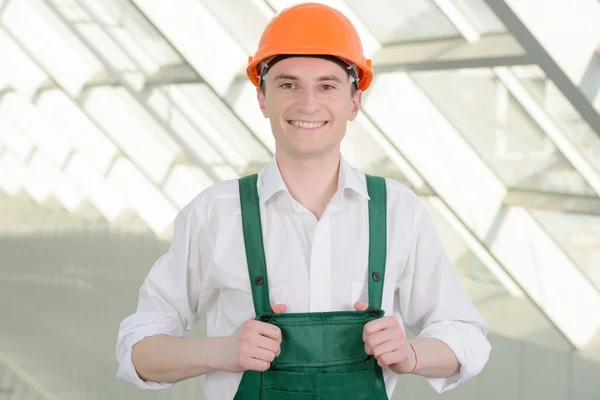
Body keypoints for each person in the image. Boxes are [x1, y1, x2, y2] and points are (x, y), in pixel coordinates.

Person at [116, 2, 491, 399]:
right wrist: (221, 351)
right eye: (288, 84)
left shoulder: (399, 212)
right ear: (262, 99)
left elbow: (466, 336)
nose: (308, 104)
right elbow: (138, 350)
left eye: (327, 85)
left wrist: (411, 353)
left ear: (354, 102)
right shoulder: (214, 213)